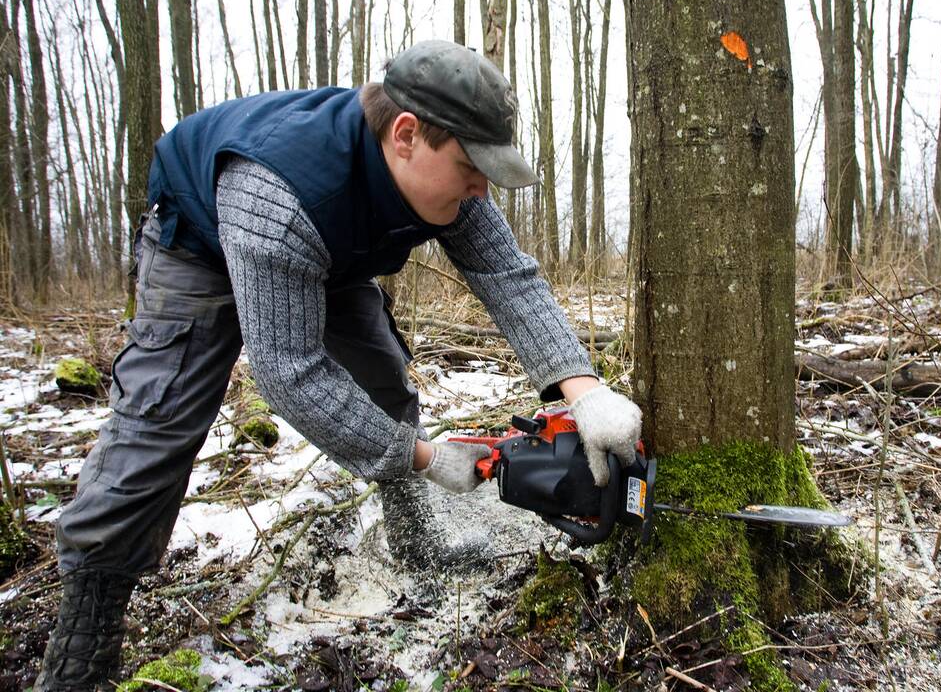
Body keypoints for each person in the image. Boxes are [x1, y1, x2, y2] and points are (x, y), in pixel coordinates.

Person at [34, 40, 642, 691]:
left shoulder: (450, 186)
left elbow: (507, 275)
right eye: (470, 166)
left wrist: (584, 391)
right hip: (204, 244)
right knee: (158, 424)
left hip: (331, 252)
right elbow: (291, 375)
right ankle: (82, 645)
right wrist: (427, 458)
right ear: (405, 135)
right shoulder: (281, 194)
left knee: (383, 384)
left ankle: (414, 541)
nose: (479, 186)